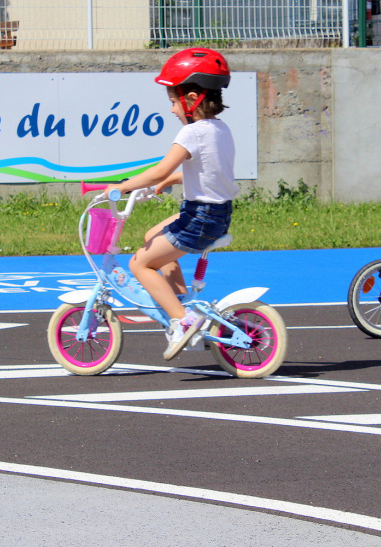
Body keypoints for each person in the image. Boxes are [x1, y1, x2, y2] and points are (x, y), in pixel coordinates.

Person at [107, 47, 239, 359]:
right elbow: (212, 173)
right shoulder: (220, 129)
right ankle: (182, 302)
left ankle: (182, 320)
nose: (172, 110)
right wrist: (176, 180)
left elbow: (160, 169)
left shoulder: (192, 132)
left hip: (199, 217)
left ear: (192, 99)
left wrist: (123, 187)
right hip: (216, 213)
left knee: (139, 262)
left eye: (173, 101)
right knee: (151, 236)